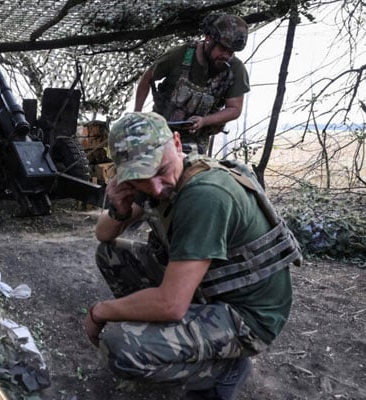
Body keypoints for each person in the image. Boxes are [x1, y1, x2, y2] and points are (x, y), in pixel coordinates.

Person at [85, 112, 301, 399]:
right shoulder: (164, 175)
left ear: (177, 143)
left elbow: (171, 305)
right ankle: (182, 340)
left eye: (160, 171)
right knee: (111, 255)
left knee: (120, 345)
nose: (156, 188)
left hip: (249, 316)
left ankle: (223, 370)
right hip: (213, 291)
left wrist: (100, 311)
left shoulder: (205, 194)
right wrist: (121, 209)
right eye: (140, 180)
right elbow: (104, 235)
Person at [134, 14, 250, 155]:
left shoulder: (235, 70)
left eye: (231, 51)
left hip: (195, 143)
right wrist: (137, 115)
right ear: (209, 38)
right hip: (160, 133)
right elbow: (147, 78)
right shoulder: (181, 54)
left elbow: (234, 108)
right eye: (222, 48)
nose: (226, 55)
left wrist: (205, 121)